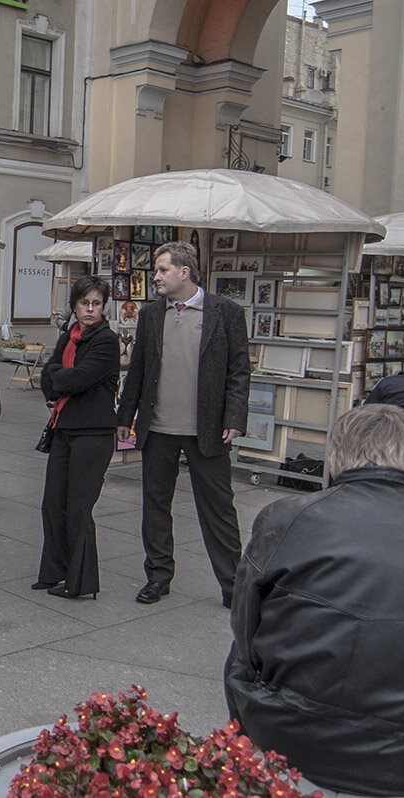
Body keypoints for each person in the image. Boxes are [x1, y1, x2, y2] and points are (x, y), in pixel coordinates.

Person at [224, 404, 404, 797]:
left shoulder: (286, 516)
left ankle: (245, 757)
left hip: (289, 736)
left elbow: (246, 631)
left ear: (336, 456)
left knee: (239, 654)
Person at [116, 240, 249, 607]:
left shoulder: (226, 312)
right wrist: (124, 418)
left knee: (219, 509)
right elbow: (137, 371)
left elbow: (239, 371)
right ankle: (158, 576)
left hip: (207, 429)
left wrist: (235, 417)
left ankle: (234, 586)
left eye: (162, 270)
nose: (155, 277)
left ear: (184, 272)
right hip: (158, 427)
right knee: (155, 505)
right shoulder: (150, 315)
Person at [34, 276, 119, 600]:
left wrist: (59, 378)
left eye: (96, 303)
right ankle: (54, 571)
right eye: (85, 303)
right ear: (75, 305)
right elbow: (49, 374)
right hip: (64, 428)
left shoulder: (105, 340)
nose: (90, 309)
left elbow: (79, 378)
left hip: (93, 433)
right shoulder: (70, 335)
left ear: (103, 307)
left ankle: (79, 582)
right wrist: (58, 378)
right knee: (53, 503)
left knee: (79, 508)